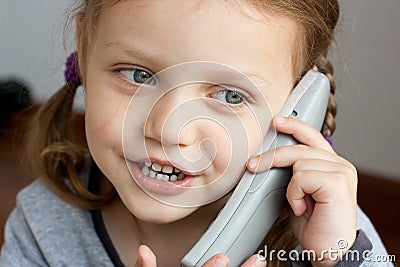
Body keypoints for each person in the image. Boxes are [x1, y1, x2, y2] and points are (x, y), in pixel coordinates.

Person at [0, 1, 393, 266]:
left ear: (300, 103)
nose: (170, 130)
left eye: (229, 95)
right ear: (84, 48)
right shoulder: (43, 226)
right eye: (139, 75)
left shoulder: (332, 234)